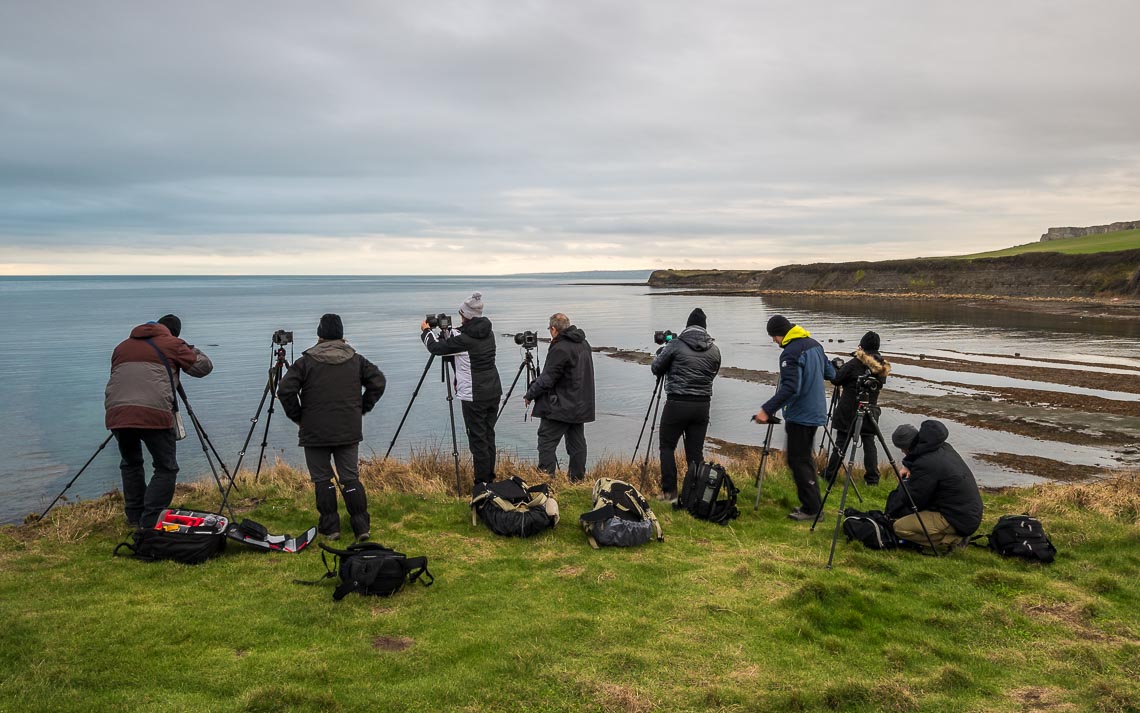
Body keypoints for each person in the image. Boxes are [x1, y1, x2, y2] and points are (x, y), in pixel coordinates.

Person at [278, 314, 386, 542]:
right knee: (350, 478)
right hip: (348, 428)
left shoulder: (305, 362)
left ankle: (331, 528)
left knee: (322, 479)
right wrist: (362, 408)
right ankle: (361, 528)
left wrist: (299, 417)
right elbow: (378, 382)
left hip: (315, 431)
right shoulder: (356, 360)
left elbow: (285, 390)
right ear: (341, 334)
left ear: (320, 334)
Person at [104, 314, 213, 528]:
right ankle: (151, 518)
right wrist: (188, 348)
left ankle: (135, 516)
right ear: (174, 332)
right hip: (154, 413)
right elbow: (204, 367)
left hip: (118, 413)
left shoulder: (122, 347)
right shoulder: (172, 343)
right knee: (166, 467)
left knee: (131, 463)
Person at [753, 314, 835, 521]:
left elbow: (791, 388)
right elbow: (831, 373)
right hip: (815, 411)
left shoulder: (790, 352)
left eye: (773, 336)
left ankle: (812, 509)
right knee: (803, 459)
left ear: (780, 333)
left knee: (798, 460)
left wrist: (767, 410)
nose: (773, 340)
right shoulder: (814, 345)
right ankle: (812, 505)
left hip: (801, 415)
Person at [421, 291, 503, 485]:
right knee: (488, 435)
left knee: (478, 440)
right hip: (493, 391)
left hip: (474, 395)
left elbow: (437, 348)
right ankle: (490, 478)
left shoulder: (464, 340)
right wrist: (449, 333)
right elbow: (460, 340)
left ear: (465, 316)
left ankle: (482, 484)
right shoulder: (487, 333)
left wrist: (426, 331)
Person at [650, 308, 721, 501]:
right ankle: (695, 494)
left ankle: (670, 492)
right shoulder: (714, 350)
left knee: (667, 447)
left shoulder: (675, 344)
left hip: (677, 403)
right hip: (702, 406)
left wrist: (661, 353)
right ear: (705, 328)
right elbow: (713, 374)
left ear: (688, 325)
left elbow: (656, 368)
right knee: (695, 452)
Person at [887, 420, 983, 549]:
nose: (902, 452)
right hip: (968, 512)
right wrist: (909, 466)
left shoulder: (925, 463)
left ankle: (953, 540)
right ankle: (954, 533)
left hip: (956, 518)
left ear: (905, 447)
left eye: (902, 449)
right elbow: (924, 461)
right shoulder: (942, 447)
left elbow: (913, 500)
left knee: (899, 528)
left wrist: (904, 481)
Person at [524, 313, 595, 482]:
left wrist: (530, 394)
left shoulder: (561, 348)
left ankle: (546, 481)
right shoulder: (584, 343)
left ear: (554, 329)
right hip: (580, 404)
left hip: (561, 405)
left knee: (546, 441)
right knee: (577, 445)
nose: (550, 332)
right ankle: (577, 481)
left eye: (549, 329)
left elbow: (548, 378)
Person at [823, 331, 891, 486]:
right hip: (870, 409)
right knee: (869, 443)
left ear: (862, 346)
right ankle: (872, 479)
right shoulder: (882, 366)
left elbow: (837, 380)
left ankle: (830, 475)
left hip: (848, 409)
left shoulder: (855, 363)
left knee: (841, 443)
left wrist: (838, 367)